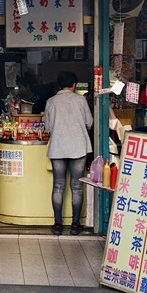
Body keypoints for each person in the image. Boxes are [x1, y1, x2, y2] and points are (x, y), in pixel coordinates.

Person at [42, 70, 93, 236]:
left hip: (58, 147)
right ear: (74, 86)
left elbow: (48, 128)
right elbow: (89, 123)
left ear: (58, 85)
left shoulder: (51, 102)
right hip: (78, 146)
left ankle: (57, 224)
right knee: (77, 187)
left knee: (58, 185)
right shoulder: (80, 100)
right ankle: (75, 224)